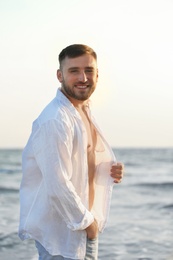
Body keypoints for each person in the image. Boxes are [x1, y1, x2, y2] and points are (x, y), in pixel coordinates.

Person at [19, 44, 124, 260]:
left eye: (88, 70)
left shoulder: (82, 110)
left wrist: (105, 170)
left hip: (80, 233)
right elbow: (57, 185)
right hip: (64, 238)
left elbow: (77, 165)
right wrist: (88, 224)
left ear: (97, 74)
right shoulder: (56, 119)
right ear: (60, 75)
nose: (83, 78)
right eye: (74, 71)